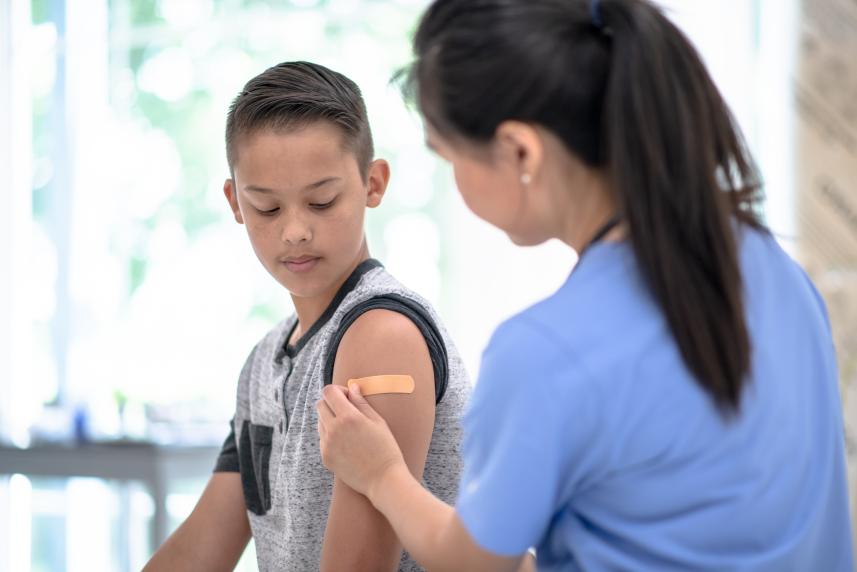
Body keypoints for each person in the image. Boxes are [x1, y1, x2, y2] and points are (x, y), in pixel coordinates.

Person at [316, 0, 856, 570]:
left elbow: (473, 561)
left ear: (521, 151)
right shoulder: (774, 268)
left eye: (451, 156)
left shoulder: (544, 352)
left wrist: (381, 475)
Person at [144, 61, 471, 571]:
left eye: (321, 201)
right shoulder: (264, 363)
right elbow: (200, 550)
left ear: (373, 183)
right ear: (234, 201)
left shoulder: (381, 335)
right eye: (267, 208)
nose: (295, 230)